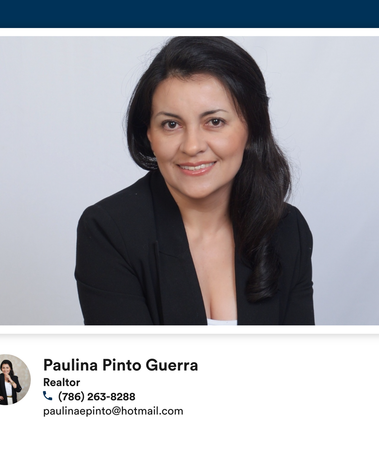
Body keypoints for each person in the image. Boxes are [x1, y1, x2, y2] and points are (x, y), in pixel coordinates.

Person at [75, 36, 314, 325]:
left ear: (252, 127)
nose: (192, 146)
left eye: (214, 122)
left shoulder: (288, 230)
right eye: (171, 124)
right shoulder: (109, 232)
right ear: (149, 134)